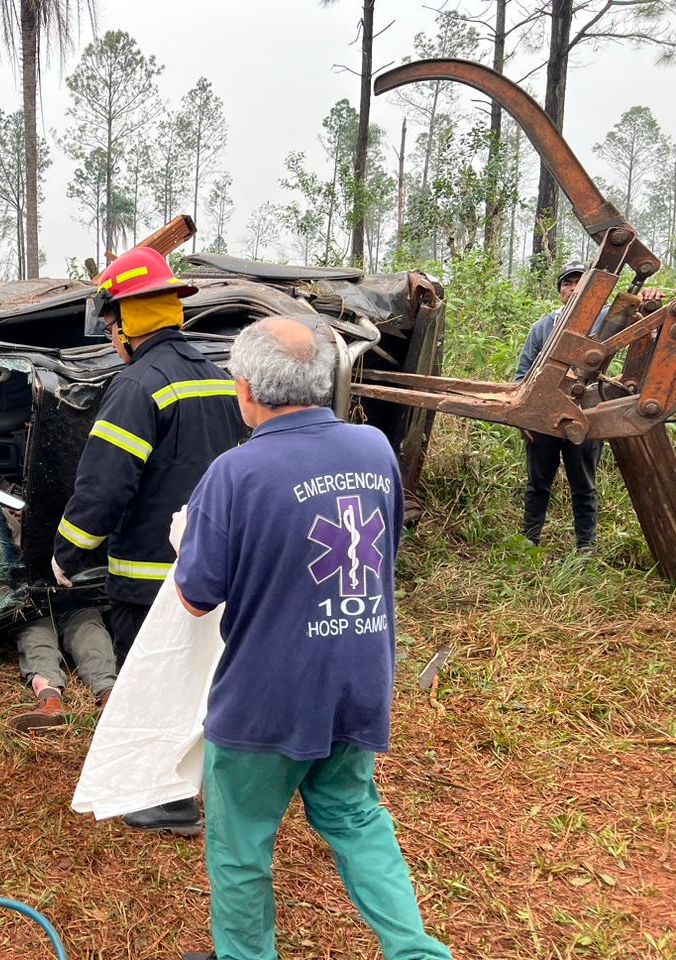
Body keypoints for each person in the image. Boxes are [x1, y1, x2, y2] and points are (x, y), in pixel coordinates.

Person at [174, 316, 451, 960]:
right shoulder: (374, 449)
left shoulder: (233, 474)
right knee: (356, 817)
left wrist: (193, 536)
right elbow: (384, 551)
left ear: (244, 388)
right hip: (357, 679)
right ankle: (416, 952)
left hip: (265, 699)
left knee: (241, 846)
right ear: (323, 382)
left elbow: (195, 597)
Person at [53, 245, 243, 833]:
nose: (110, 337)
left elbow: (104, 483)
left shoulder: (138, 385)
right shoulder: (218, 378)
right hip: (216, 569)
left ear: (126, 322)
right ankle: (195, 785)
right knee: (199, 681)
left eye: (110, 324)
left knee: (152, 679)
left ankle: (161, 799)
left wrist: (67, 551)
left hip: (149, 575)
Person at [516, 263, 662, 551]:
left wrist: (647, 302)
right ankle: (528, 543)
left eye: (579, 282)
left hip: (586, 415)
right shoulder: (543, 327)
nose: (572, 288)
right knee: (538, 483)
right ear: (560, 291)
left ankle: (586, 547)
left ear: (592, 290)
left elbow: (642, 326)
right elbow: (523, 374)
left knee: (583, 484)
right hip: (544, 416)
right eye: (566, 283)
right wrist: (524, 417)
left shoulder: (608, 319)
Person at [10, 607, 116, 731]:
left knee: (90, 632)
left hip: (79, 599)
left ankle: (111, 697)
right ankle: (51, 701)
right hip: (31, 606)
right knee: (36, 636)